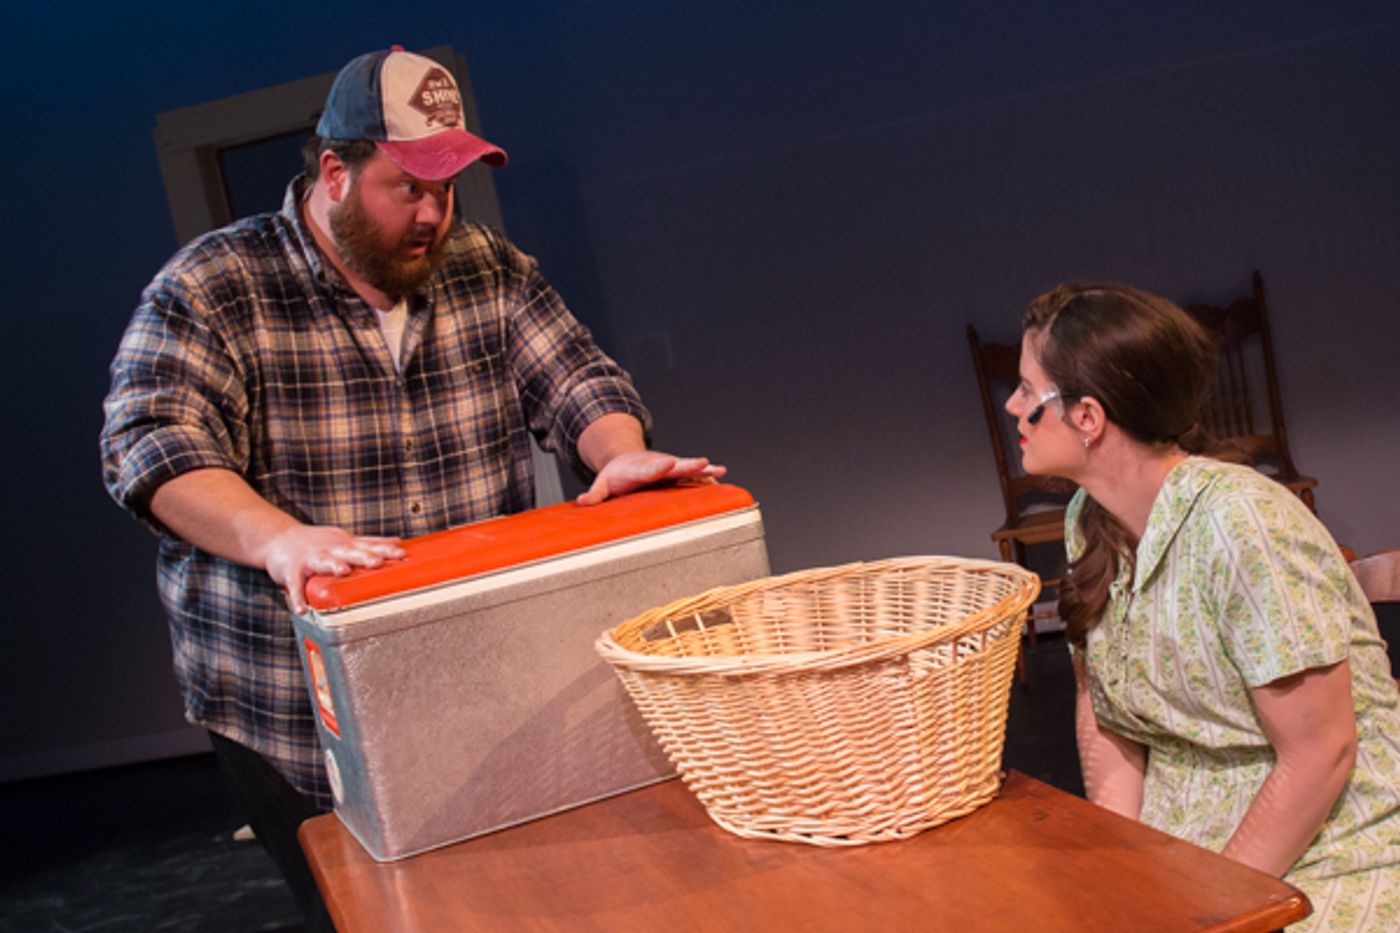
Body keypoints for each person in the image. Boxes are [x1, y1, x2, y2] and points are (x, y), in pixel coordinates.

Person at [100, 46, 722, 930]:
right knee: (365, 910)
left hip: (465, 674)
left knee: (510, 900)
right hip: (290, 699)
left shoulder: (487, 266)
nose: (434, 214)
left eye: (449, 187)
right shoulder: (213, 286)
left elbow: (582, 380)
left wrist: (614, 451)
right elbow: (150, 444)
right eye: (409, 188)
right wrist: (280, 538)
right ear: (334, 173)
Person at [1005, 282, 1400, 931]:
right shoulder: (1088, 520)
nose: (1015, 407)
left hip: (1333, 846)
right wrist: (1121, 859)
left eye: (1029, 392)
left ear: (1088, 417)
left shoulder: (1241, 525)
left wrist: (1213, 908)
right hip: (1188, 846)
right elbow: (1103, 710)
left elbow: (1321, 753)